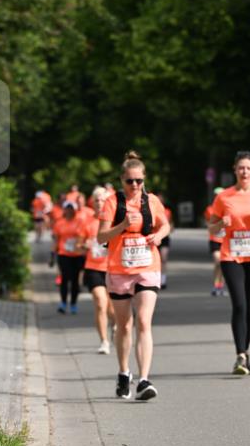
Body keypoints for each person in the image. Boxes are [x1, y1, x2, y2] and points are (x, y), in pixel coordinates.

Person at [97, 151, 170, 401]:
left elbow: (165, 225)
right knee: (124, 325)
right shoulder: (111, 202)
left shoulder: (152, 201)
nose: (135, 186)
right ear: (122, 180)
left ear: (144, 179)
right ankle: (123, 372)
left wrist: (159, 236)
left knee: (144, 322)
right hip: (119, 270)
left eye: (139, 181)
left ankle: (144, 380)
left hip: (148, 267)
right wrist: (122, 225)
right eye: (130, 181)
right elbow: (101, 237)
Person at [207, 151, 250, 375]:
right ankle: (240, 355)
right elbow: (212, 228)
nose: (244, 172)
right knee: (240, 305)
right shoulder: (224, 197)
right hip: (231, 255)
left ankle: (246, 348)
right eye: (241, 168)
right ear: (235, 170)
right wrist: (221, 223)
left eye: (248, 168)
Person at [82, 187, 116, 353]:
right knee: (100, 303)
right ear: (92, 202)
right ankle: (104, 341)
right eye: (97, 200)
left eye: (103, 200)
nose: (100, 203)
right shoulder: (88, 222)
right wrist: (84, 245)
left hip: (113, 267)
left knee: (112, 308)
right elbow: (78, 246)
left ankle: (115, 325)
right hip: (93, 267)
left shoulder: (115, 221)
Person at [52, 200, 86, 314]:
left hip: (77, 255)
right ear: (64, 210)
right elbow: (56, 240)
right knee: (64, 279)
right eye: (68, 208)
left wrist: (80, 248)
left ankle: (73, 304)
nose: (70, 210)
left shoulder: (80, 222)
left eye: (72, 208)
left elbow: (82, 238)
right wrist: (52, 254)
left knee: (75, 281)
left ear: (75, 210)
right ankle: (63, 303)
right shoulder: (59, 223)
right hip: (64, 254)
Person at [205, 187, 226, 296]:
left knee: (223, 263)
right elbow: (210, 225)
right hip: (215, 239)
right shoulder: (210, 209)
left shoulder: (228, 207)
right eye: (216, 195)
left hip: (226, 239)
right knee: (218, 261)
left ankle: (220, 285)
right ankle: (215, 285)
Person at [157, 195, 174, 289]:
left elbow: (171, 223)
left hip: (165, 237)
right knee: (156, 259)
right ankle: (156, 278)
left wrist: (170, 228)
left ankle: (163, 280)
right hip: (155, 237)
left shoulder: (167, 211)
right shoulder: (151, 210)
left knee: (164, 258)